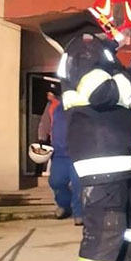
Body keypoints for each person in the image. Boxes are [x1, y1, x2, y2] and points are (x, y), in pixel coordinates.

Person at [39, 0, 131, 261]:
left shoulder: (97, 50)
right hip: (100, 159)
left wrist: (129, 111)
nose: (129, 39)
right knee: (105, 230)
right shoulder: (87, 47)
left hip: (113, 155)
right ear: (111, 20)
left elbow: (102, 100)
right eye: (128, 30)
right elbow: (101, 92)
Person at [39, 86, 84, 225]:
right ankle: (64, 205)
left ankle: (79, 213)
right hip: (59, 152)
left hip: (78, 152)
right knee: (56, 182)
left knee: (78, 184)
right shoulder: (53, 105)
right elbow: (45, 122)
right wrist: (42, 139)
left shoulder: (82, 104)